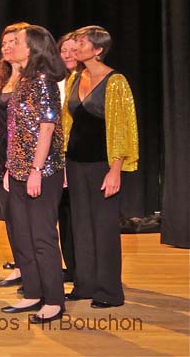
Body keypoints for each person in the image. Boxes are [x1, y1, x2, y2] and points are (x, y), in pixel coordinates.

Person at [62, 26, 138, 309]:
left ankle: (109, 291)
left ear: (98, 50)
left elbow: (123, 128)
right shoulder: (75, 77)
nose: (76, 47)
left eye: (82, 43)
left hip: (102, 165)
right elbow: (67, 123)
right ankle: (85, 284)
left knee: (104, 227)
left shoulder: (115, 81)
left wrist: (115, 169)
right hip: (75, 162)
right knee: (80, 225)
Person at [0, 24, 68, 324]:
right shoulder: (22, 81)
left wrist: (36, 170)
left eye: (18, 42)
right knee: (23, 235)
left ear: (33, 48)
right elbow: (15, 130)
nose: (12, 46)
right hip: (17, 169)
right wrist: (10, 168)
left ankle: (54, 301)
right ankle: (32, 291)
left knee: (42, 236)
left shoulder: (43, 81)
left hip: (43, 169)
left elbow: (47, 128)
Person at [0, 23, 29, 289]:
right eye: (4, 43)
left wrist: (15, 163)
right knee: (10, 216)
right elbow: (0, 126)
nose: (7, 47)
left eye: (13, 41)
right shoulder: (6, 79)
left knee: (24, 219)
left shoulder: (31, 81)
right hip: (3, 153)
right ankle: (20, 266)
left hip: (21, 155)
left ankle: (31, 271)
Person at [55, 32, 79, 282]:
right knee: (64, 215)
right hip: (58, 157)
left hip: (78, 156)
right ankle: (71, 267)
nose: (69, 55)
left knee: (77, 215)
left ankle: (82, 269)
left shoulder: (85, 81)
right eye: (64, 50)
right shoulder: (58, 81)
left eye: (74, 50)